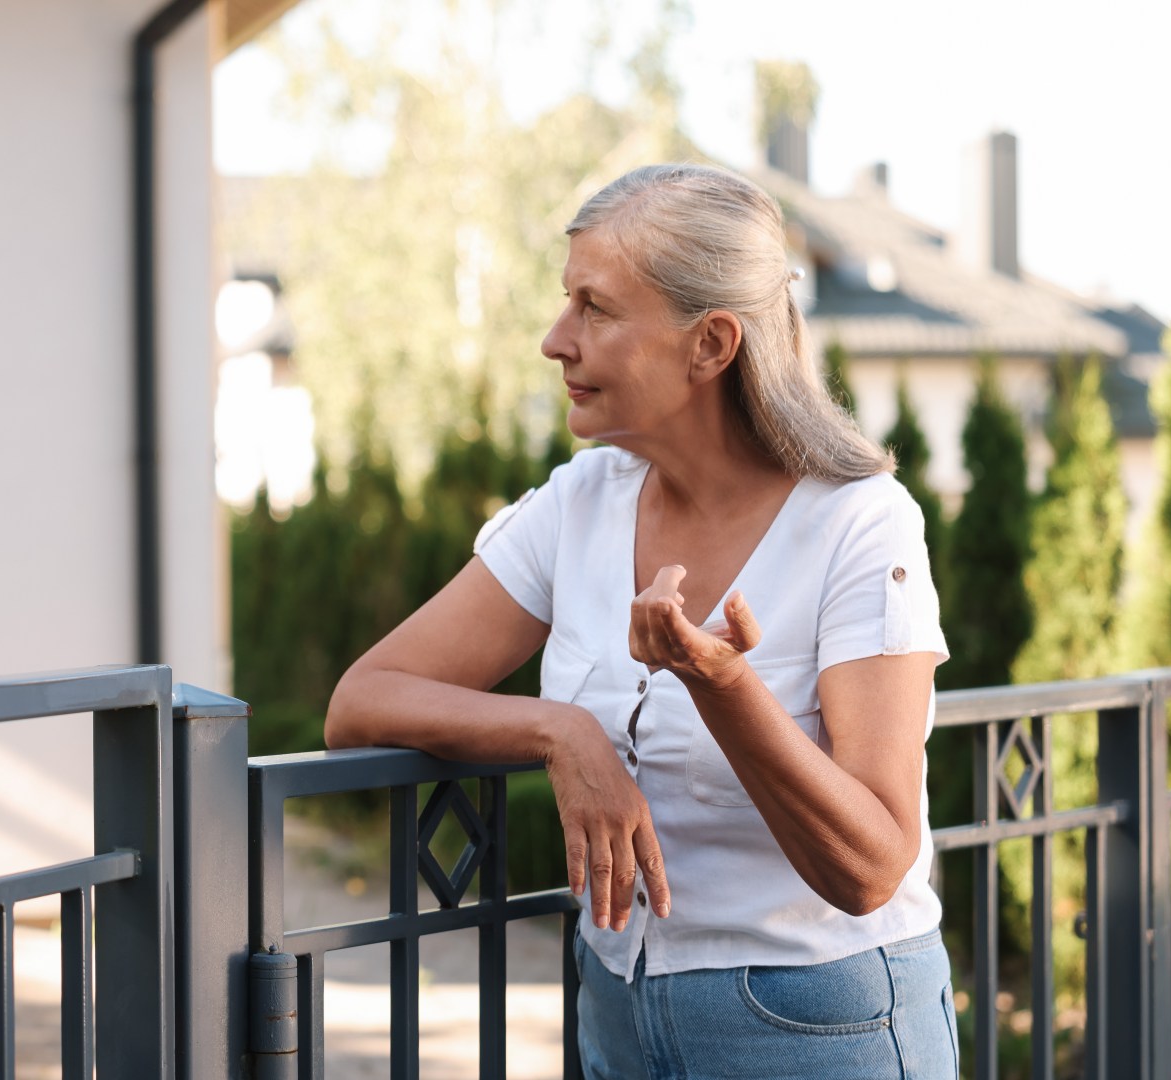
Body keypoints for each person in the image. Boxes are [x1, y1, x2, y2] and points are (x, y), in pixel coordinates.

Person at [325, 164, 957, 1078]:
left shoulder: (860, 522)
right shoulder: (578, 504)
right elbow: (363, 702)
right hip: (614, 1017)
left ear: (710, 345)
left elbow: (869, 869)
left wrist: (722, 684)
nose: (556, 340)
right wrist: (558, 731)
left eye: (597, 309)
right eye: (565, 302)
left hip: (818, 1027)